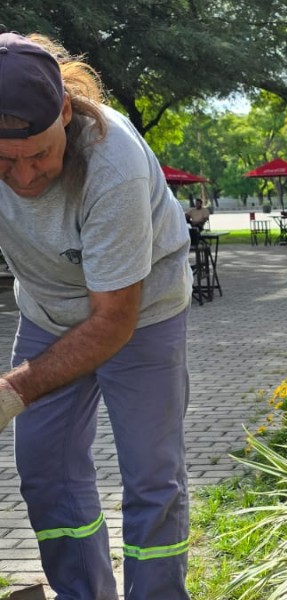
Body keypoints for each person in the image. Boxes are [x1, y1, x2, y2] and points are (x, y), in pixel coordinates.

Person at [0, 32, 192, 599]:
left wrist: (10, 393)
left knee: (151, 477)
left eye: (40, 154)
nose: (27, 177)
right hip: (48, 312)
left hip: (141, 315)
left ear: (65, 111)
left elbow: (112, 322)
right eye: (5, 162)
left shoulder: (114, 164)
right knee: (43, 467)